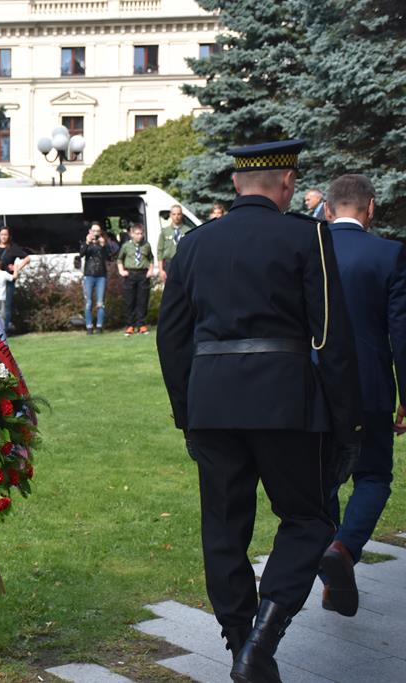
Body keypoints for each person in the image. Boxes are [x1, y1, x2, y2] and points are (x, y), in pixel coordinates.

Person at [157, 140, 362, 682]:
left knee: (224, 529)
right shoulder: (306, 236)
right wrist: (347, 424)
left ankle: (238, 646)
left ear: (235, 184)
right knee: (309, 518)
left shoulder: (194, 244)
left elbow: (171, 338)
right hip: (285, 403)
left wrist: (187, 413)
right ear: (288, 183)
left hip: (212, 406)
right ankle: (260, 642)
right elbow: (330, 338)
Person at [320, 174, 406, 617]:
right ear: (371, 207)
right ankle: (344, 548)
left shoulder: (308, 250)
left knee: (324, 482)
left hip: (315, 387)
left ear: (328, 209)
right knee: (373, 476)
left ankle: (333, 568)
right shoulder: (389, 254)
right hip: (370, 386)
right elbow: (402, 333)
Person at [0, 227, 29, 332]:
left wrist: (17, 268)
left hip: (8, 280)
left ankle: (3, 330)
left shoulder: (13, 248)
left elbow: (27, 258)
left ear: (9, 236)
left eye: (6, 234)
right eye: (2, 234)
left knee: (6, 306)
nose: (4, 237)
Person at [117, 224, 153, 336]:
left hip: (143, 274)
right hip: (130, 274)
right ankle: (130, 325)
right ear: (131, 234)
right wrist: (121, 270)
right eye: (137, 234)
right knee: (130, 300)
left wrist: (150, 270)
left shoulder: (146, 245)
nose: (139, 236)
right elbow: (119, 259)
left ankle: (141, 325)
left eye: (141, 233)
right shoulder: (126, 246)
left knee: (142, 300)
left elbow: (151, 258)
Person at [79, 223, 111, 335]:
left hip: (101, 276)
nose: (95, 233)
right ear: (90, 231)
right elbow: (81, 254)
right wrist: (87, 242)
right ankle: (89, 327)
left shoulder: (103, 243)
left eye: (98, 231)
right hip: (89, 275)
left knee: (100, 303)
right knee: (88, 302)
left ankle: (99, 327)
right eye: (94, 231)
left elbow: (109, 257)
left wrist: (103, 246)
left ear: (100, 232)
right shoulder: (86, 243)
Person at [156, 204, 190, 283]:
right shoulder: (165, 231)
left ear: (182, 215)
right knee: (169, 287)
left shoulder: (188, 231)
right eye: (174, 214)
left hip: (183, 263)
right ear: (170, 215)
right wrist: (161, 270)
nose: (176, 217)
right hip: (169, 264)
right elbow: (160, 251)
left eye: (178, 214)